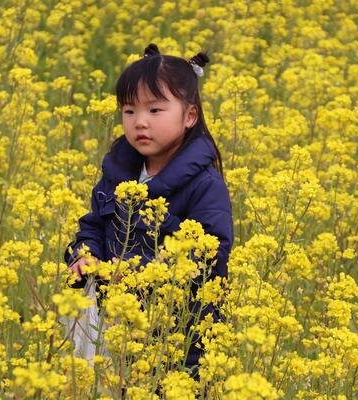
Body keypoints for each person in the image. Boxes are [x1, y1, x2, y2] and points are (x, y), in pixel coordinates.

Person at [64, 43, 234, 383]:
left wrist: (139, 274)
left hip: (176, 335)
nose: (140, 122)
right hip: (114, 324)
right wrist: (84, 256)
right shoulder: (117, 174)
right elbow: (94, 225)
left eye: (155, 111)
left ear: (189, 117)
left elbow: (210, 250)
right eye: (129, 111)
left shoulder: (204, 184)